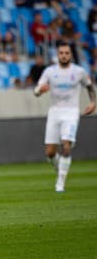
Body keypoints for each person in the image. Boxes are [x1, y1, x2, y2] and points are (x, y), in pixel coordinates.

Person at [33, 42, 95, 192]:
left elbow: (89, 86)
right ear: (57, 54)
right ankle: (60, 167)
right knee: (50, 153)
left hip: (71, 112)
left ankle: (60, 183)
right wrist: (40, 90)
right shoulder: (49, 71)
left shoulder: (79, 71)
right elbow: (36, 90)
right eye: (61, 53)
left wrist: (93, 102)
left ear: (71, 55)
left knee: (66, 145)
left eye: (67, 53)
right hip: (54, 112)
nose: (64, 55)